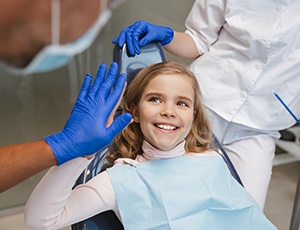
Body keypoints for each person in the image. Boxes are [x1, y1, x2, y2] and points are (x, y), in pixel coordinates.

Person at [24, 61, 276, 229]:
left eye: (182, 103)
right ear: (134, 111)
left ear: (194, 116)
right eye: (155, 99)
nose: (168, 111)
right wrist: (79, 152)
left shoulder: (211, 160)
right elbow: (40, 220)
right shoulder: (120, 179)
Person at [112, 1, 300, 209]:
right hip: (204, 106)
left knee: (247, 213)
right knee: (170, 200)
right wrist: (167, 35)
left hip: (260, 125)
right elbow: (198, 39)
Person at [0, 62, 132, 193]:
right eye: (152, 99)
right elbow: (43, 214)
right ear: (135, 111)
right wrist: (63, 144)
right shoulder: (116, 180)